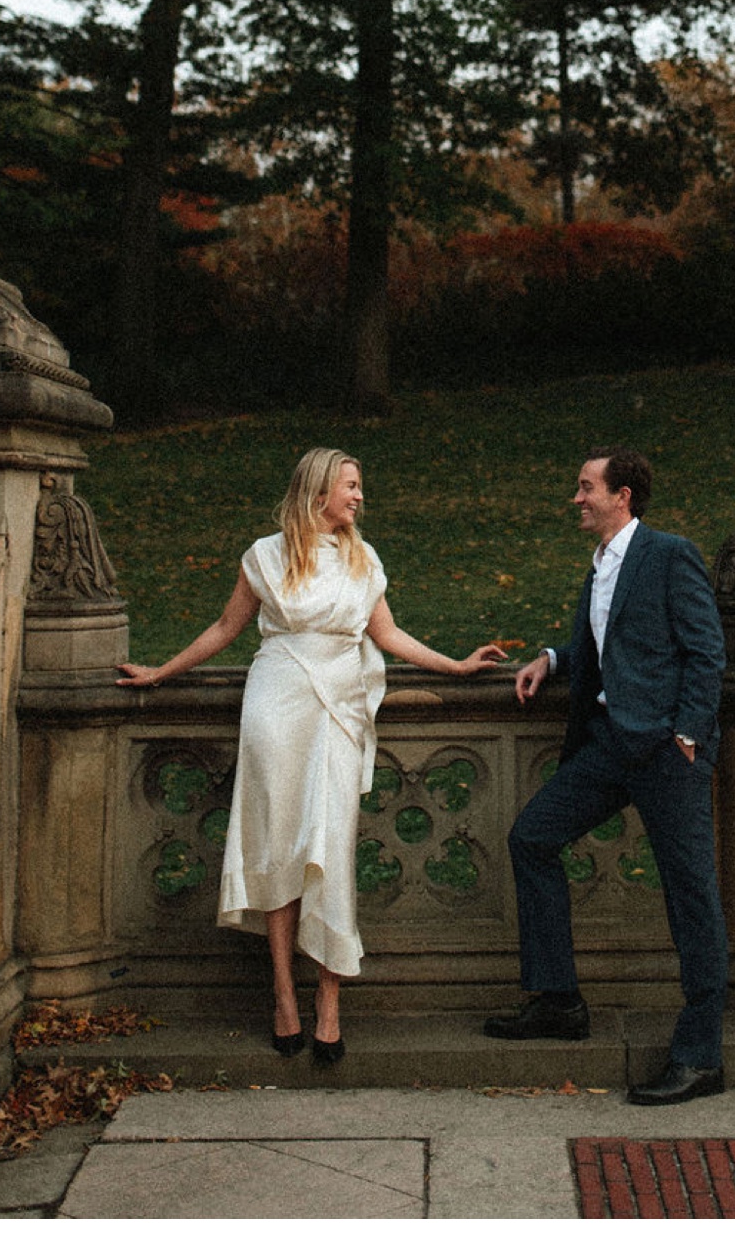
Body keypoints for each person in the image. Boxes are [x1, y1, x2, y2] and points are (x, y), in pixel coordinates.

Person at [117, 446, 507, 1063]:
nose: (358, 497)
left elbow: (387, 634)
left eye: (359, 487)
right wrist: (160, 673)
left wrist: (456, 665)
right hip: (276, 707)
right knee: (278, 850)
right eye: (350, 486)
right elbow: (225, 629)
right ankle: (283, 998)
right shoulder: (266, 555)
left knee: (329, 846)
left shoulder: (363, 557)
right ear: (318, 490)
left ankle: (329, 1000)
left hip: (339, 712)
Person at [485, 446, 729, 1106]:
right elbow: (611, 639)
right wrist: (551, 658)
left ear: (622, 494)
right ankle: (560, 999)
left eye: (586, 486)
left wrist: (685, 733)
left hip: (664, 752)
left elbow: (707, 650)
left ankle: (701, 1055)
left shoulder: (669, 553)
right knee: (531, 836)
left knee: (691, 895)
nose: (577, 497)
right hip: (607, 744)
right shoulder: (600, 565)